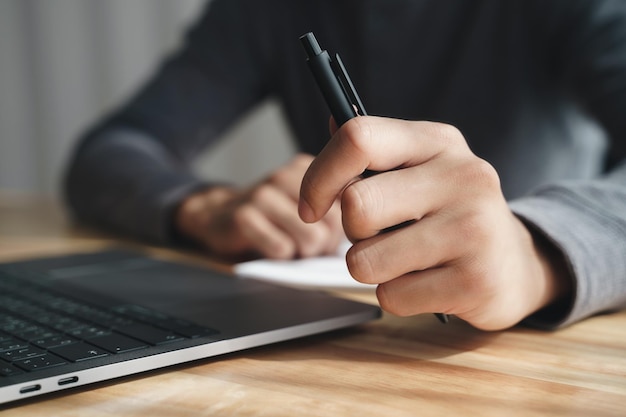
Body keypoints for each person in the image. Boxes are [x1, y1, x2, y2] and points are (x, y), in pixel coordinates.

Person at [64, 0, 626, 331]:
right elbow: (111, 151)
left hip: (535, 350)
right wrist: (204, 207)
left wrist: (534, 253)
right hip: (352, 331)